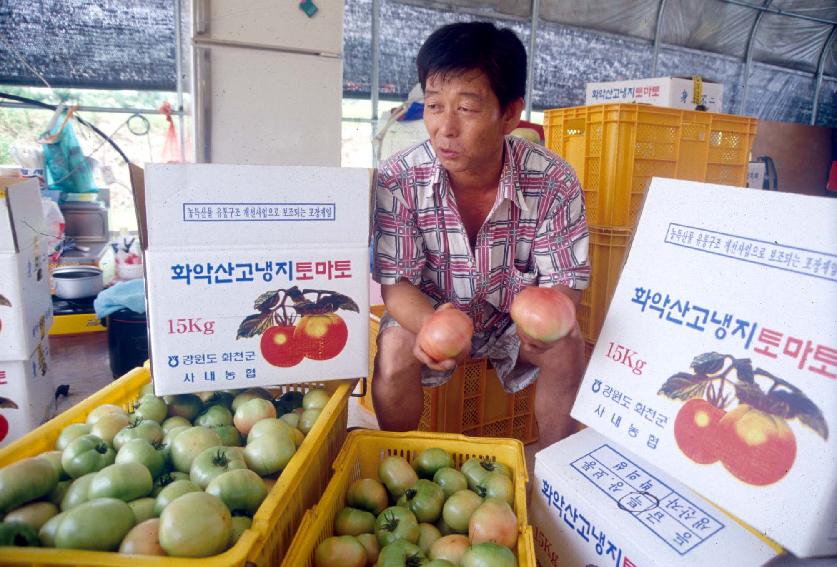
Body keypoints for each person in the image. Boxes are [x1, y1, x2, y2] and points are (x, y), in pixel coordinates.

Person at [371, 21, 590, 449]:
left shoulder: (552, 180)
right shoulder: (399, 178)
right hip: (432, 310)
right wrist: (433, 325)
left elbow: (565, 280)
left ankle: (552, 475)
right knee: (394, 349)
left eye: (466, 109)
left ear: (510, 113)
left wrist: (548, 322)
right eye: (435, 106)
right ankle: (396, 462)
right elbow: (395, 286)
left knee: (567, 344)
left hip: (511, 323)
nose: (444, 128)